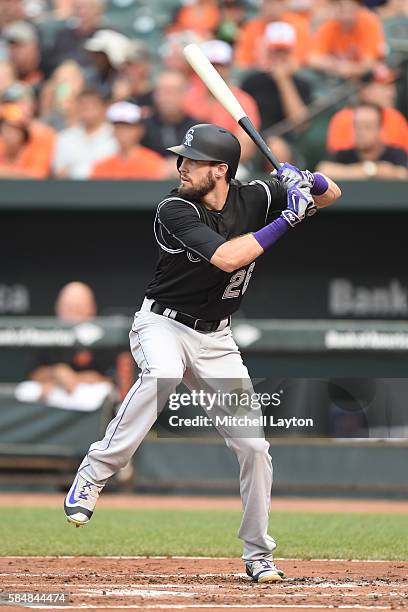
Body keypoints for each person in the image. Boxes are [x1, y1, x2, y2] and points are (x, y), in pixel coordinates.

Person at [64, 123, 341, 582]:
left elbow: (333, 193)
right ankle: (94, 473)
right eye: (182, 158)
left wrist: (306, 180)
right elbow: (229, 258)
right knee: (162, 375)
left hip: (217, 341)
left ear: (220, 170)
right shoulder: (173, 208)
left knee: (253, 447)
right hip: (163, 324)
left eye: (192, 161)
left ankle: (258, 553)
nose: (182, 166)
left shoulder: (254, 196)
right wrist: (289, 218)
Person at [18, 282, 114, 411]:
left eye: (77, 307)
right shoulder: (47, 333)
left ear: (91, 309)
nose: (71, 312)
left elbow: (110, 379)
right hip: (54, 389)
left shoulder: (104, 336)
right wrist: (57, 372)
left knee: (97, 394)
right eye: (67, 307)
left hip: (86, 392)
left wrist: (74, 378)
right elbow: (33, 374)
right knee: (27, 391)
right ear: (58, 307)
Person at [184, 39, 261, 166]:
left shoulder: (243, 100)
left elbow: (245, 147)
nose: (216, 71)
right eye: (212, 66)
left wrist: (210, 162)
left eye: (221, 66)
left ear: (230, 67)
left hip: (228, 164)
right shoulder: (189, 98)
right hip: (192, 161)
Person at [241, 22, 311, 131]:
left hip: (286, 140)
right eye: (275, 51)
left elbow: (300, 124)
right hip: (255, 136)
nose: (279, 56)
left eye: (284, 51)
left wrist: (283, 80)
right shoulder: (252, 81)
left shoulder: (302, 83)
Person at [327, 65, 408, 154]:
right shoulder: (344, 118)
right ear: (364, 89)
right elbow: (339, 159)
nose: (391, 92)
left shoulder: (396, 118)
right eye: (383, 86)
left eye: (392, 86)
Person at [317, 103, 408, 179]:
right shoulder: (344, 154)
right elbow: (323, 170)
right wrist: (370, 170)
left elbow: (403, 173)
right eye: (357, 126)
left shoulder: (396, 154)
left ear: (380, 129)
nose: (361, 132)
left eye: (367, 127)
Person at [308, 0, 386, 79]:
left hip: (367, 76)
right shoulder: (330, 25)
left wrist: (350, 68)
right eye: (341, 9)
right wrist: (337, 65)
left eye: (349, 9)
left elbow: (368, 64)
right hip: (338, 75)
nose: (346, 15)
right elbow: (312, 59)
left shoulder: (368, 22)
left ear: (358, 8)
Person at [90, 101, 167, 179]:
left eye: (128, 127)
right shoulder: (101, 166)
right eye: (118, 127)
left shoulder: (154, 163)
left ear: (140, 130)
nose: (122, 132)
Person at [53, 87, 117, 178]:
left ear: (103, 108)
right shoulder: (64, 137)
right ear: (77, 108)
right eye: (84, 106)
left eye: (93, 105)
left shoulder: (116, 136)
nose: (89, 110)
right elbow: (59, 172)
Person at [234, 0, 311, 68]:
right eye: (268, 2)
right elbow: (242, 61)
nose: (272, 7)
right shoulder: (252, 26)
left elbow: (300, 59)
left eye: (277, 3)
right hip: (259, 72)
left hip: (291, 71)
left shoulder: (298, 24)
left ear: (285, 5)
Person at [141, 71, 196, 165]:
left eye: (172, 91)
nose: (166, 97)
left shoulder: (197, 128)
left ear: (184, 94)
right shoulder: (142, 127)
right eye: (161, 91)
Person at [0, 102, 52, 178]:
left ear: (24, 132)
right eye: (7, 128)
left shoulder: (36, 146)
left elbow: (38, 175)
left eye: (15, 128)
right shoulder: (2, 146)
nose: (10, 133)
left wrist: (5, 173)